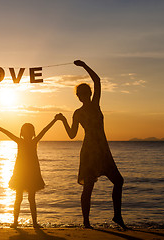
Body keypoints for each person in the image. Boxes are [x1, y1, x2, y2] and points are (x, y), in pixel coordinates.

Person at [57, 60, 127, 229]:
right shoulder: (83, 111)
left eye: (85, 92)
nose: (84, 94)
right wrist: (63, 120)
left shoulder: (92, 106)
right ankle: (88, 222)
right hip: (92, 151)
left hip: (100, 150)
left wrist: (84, 66)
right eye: (82, 93)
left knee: (116, 182)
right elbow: (72, 135)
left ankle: (114, 217)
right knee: (91, 186)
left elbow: (97, 81)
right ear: (80, 96)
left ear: (86, 94)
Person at [0, 116, 59, 228]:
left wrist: (55, 120)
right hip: (21, 173)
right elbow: (6, 132)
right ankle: (16, 222)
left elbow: (45, 130)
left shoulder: (31, 141)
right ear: (23, 133)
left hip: (30, 173)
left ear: (32, 133)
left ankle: (32, 223)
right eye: (26, 131)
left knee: (29, 198)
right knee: (21, 198)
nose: (28, 134)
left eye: (29, 131)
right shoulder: (21, 141)